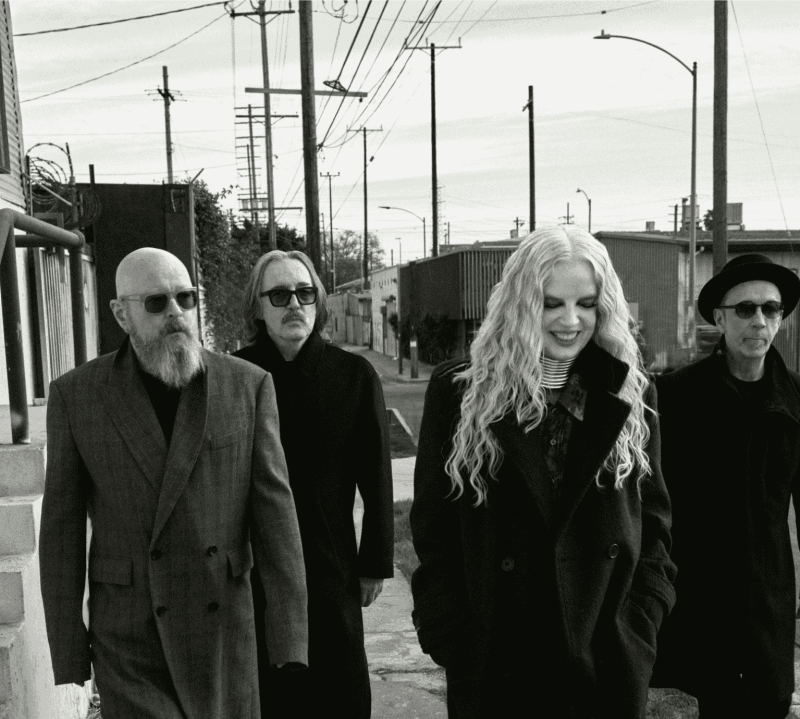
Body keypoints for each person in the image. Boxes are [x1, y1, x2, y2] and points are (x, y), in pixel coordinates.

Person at [410, 225, 677, 718]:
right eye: (551, 303)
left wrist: (640, 624)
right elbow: (433, 528)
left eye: (586, 303)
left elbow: (655, 528)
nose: (570, 321)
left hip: (605, 664)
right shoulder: (461, 392)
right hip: (497, 665)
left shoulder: (631, 393)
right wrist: (451, 637)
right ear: (520, 303)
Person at [39, 248, 308, 719]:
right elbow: (61, 530)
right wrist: (68, 649)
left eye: (185, 298)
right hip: (129, 635)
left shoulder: (247, 385)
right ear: (121, 314)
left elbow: (276, 516)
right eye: (157, 303)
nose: (176, 313)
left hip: (222, 630)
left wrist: (288, 637)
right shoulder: (77, 396)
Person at [234, 250, 394, 719]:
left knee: (339, 695)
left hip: (330, 565)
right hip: (254, 571)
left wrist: (374, 562)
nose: (294, 304)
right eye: (279, 295)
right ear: (257, 307)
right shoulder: (234, 378)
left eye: (305, 293)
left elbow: (377, 477)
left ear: (318, 302)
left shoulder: (354, 376)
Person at [651, 254, 800, 718]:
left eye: (771, 309)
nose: (759, 321)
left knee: (769, 703)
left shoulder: (795, 400)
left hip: (768, 602)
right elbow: (650, 505)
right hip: (696, 603)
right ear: (719, 318)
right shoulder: (676, 396)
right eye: (745, 308)